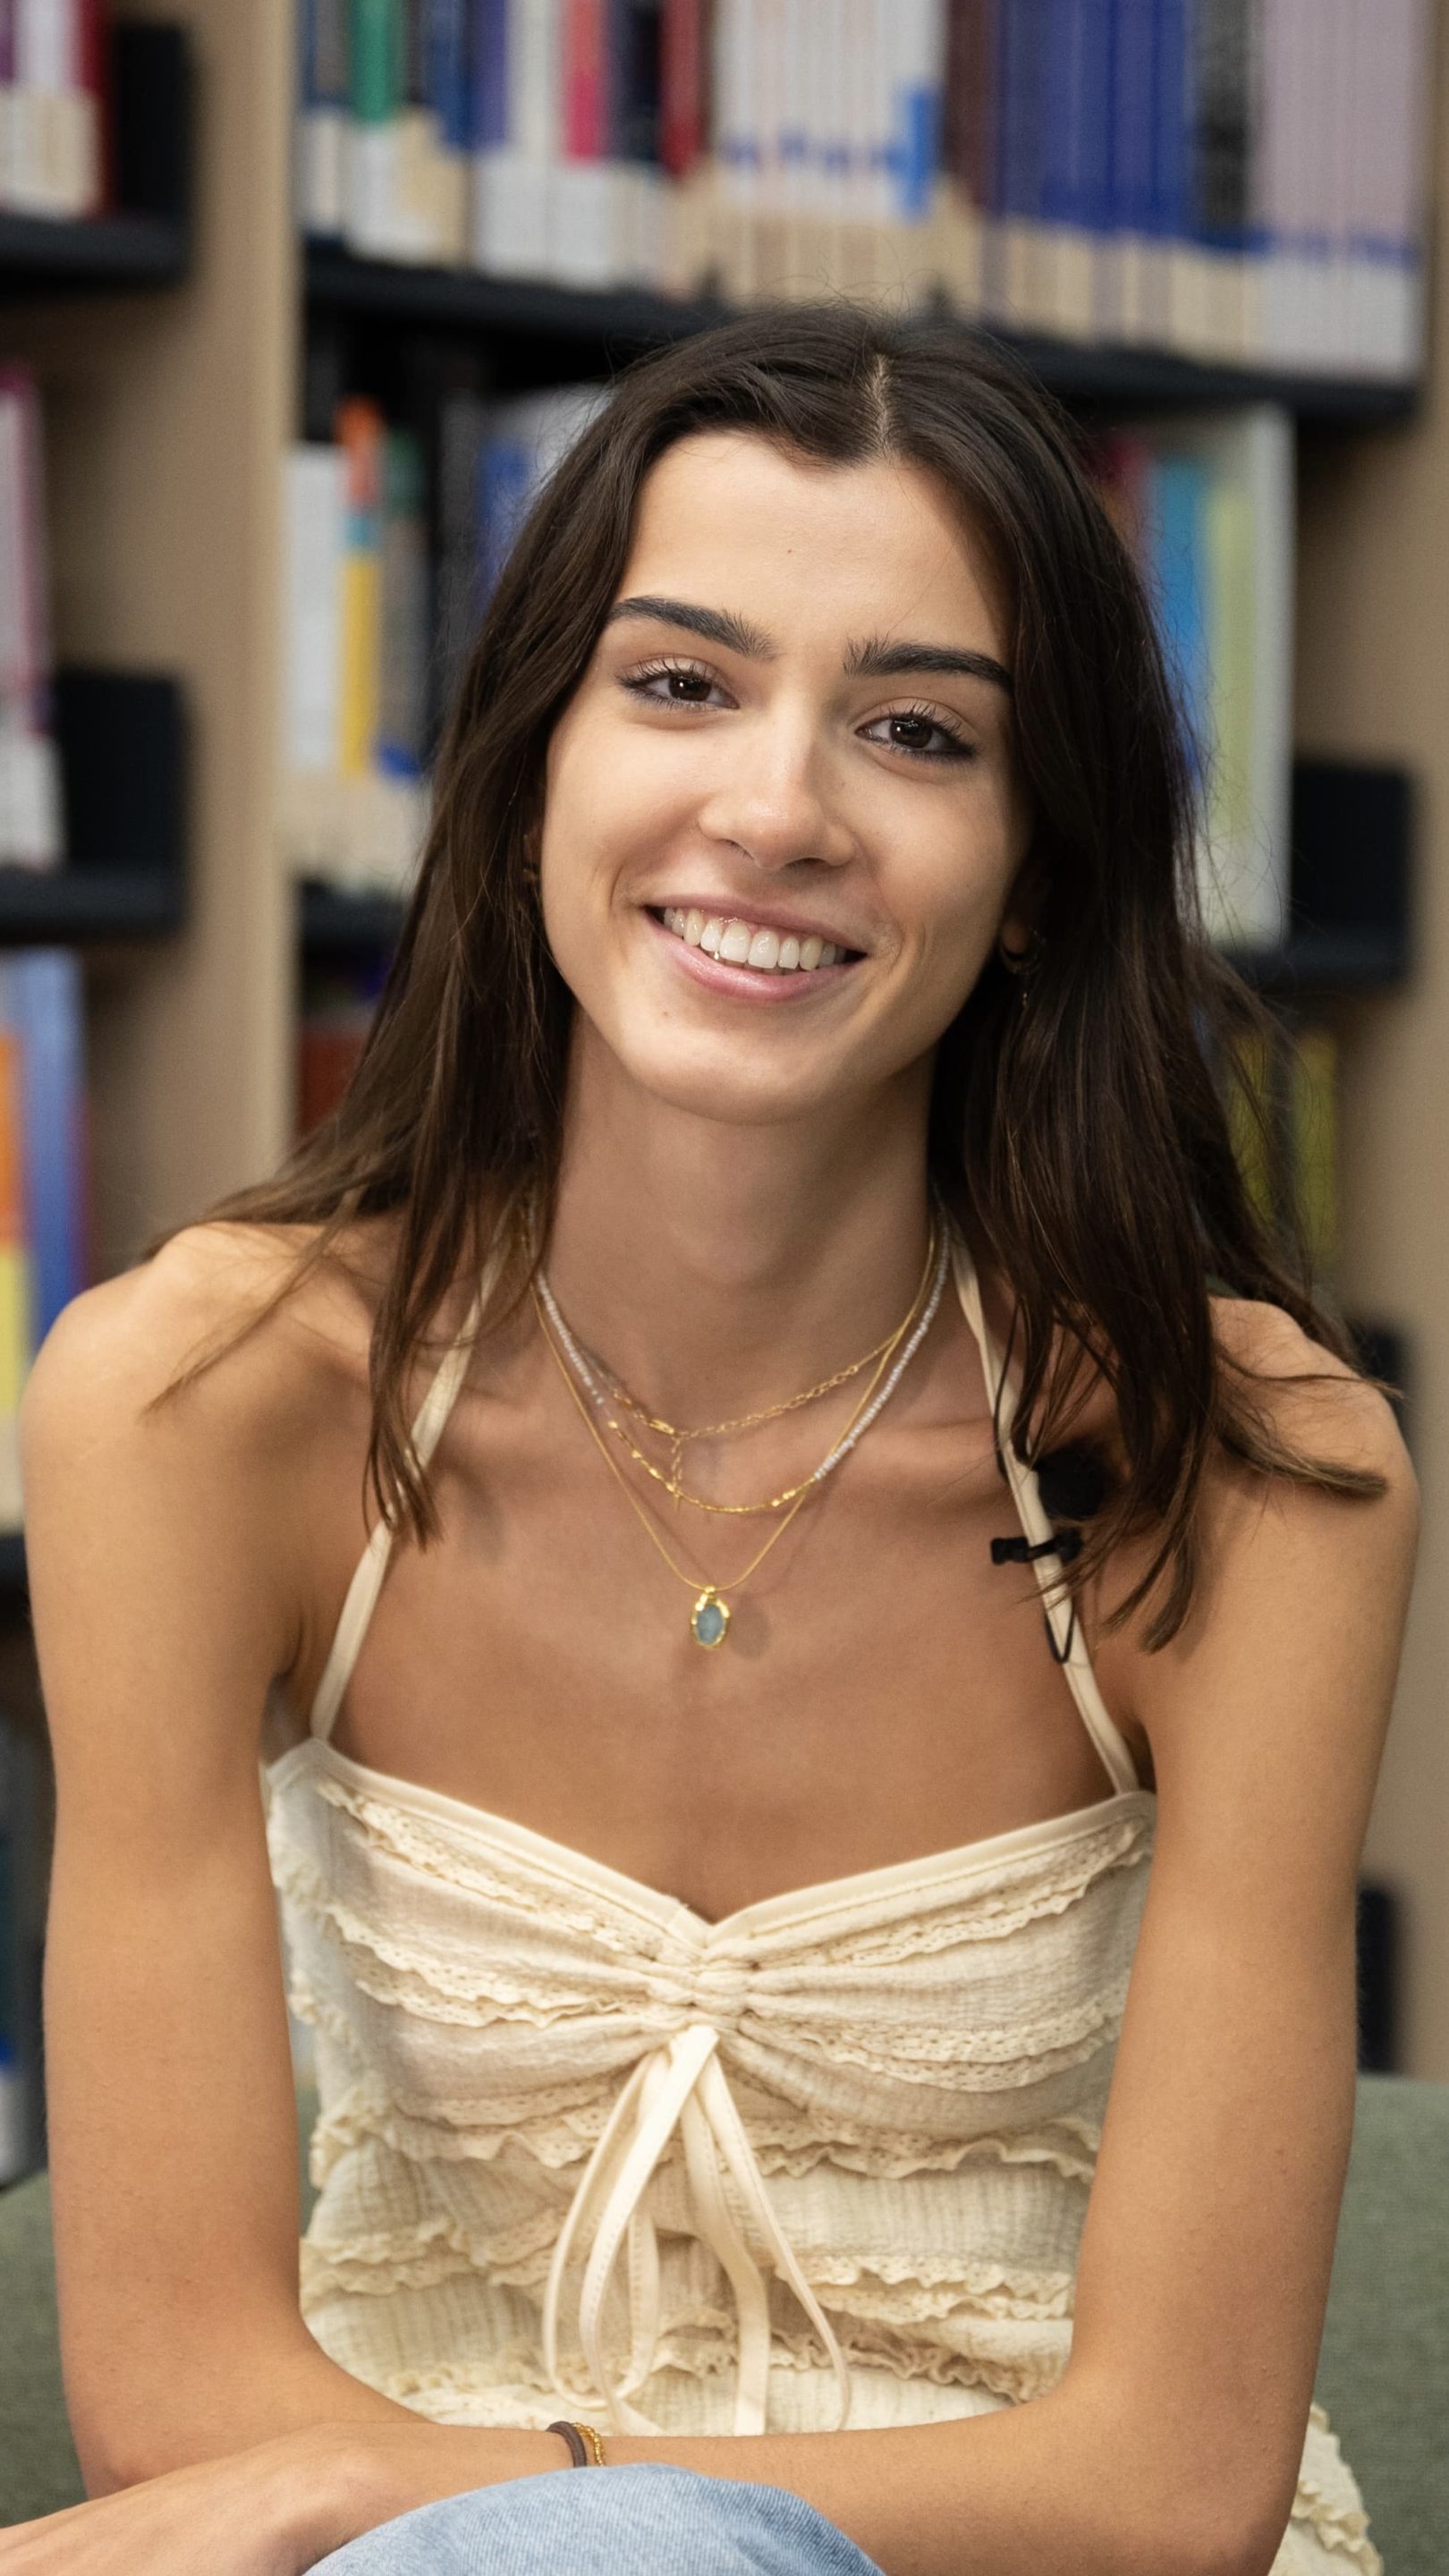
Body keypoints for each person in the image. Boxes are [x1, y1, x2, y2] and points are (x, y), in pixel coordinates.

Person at [7, 304, 1416, 2576]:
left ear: (1040, 863)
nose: (775, 809)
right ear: (533, 760)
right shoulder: (195, 1406)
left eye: (916, 731)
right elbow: (175, 2401)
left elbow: (1163, 2490)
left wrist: (493, 2498)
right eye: (678, 686)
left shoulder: (1242, 1469)